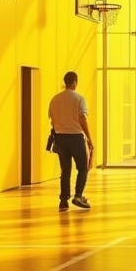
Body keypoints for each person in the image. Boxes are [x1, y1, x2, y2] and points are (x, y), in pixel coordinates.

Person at [48, 70, 93, 211]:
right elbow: (82, 120)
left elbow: (52, 120)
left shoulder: (55, 99)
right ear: (75, 81)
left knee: (65, 169)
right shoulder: (79, 99)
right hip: (76, 137)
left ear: (65, 82)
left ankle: (63, 201)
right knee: (82, 168)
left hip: (60, 138)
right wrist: (89, 139)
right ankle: (78, 196)